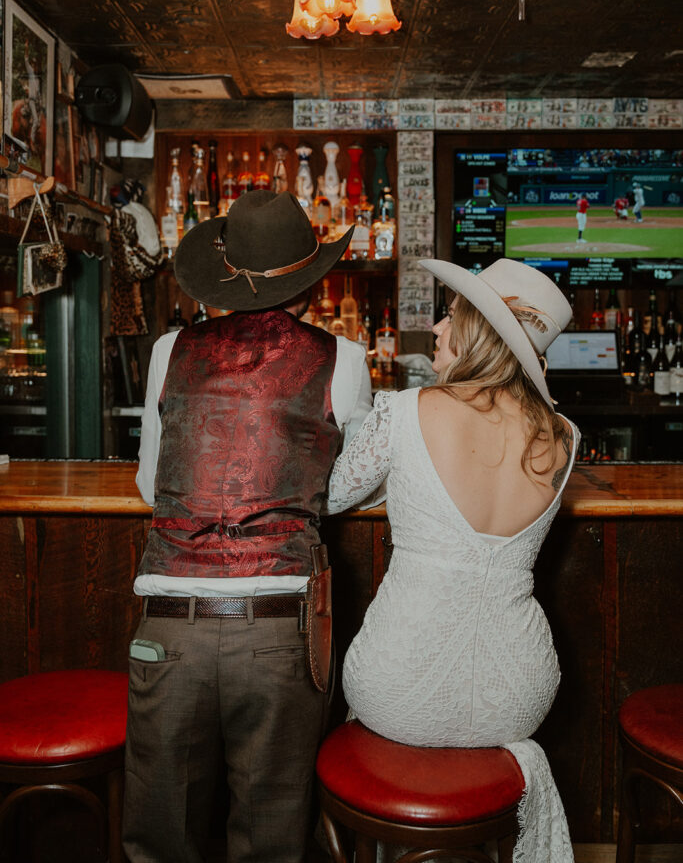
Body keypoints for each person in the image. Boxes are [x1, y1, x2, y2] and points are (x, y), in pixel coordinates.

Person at [123, 190, 374, 863]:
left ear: (224, 273)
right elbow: (346, 484)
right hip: (276, 629)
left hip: (169, 623)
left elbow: (152, 485)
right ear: (308, 277)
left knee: (159, 835)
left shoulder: (170, 348)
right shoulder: (341, 358)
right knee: (271, 833)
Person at [325, 258, 580, 863]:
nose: (438, 329)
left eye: (453, 316)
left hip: (398, 686)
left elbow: (332, 495)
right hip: (518, 694)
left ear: (479, 335)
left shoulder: (406, 410)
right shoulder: (563, 436)